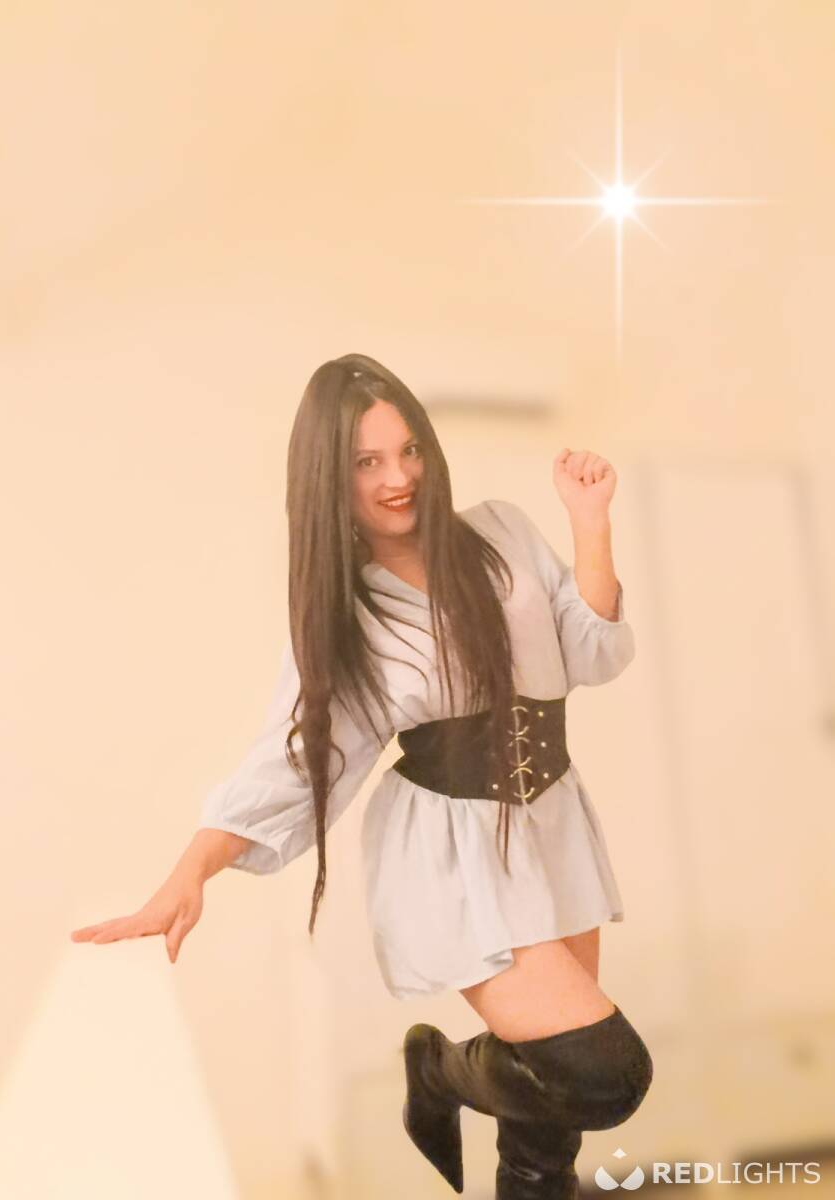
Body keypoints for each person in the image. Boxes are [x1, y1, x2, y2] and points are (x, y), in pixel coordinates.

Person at [70, 352, 653, 1198]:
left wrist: (589, 522)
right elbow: (294, 755)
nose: (398, 477)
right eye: (367, 461)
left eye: (409, 450)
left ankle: (468, 1108)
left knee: (548, 1128)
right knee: (601, 1074)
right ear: (328, 478)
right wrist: (191, 868)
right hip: (454, 851)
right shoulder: (347, 614)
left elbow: (593, 653)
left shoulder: (501, 530)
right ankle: (441, 1071)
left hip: (552, 824)